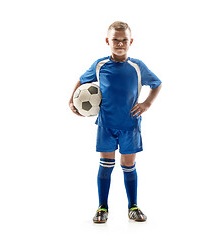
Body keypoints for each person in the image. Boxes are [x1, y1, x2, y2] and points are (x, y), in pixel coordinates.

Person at [69, 21, 162, 223]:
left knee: (128, 165)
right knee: (106, 164)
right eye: (115, 40)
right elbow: (82, 80)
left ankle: (133, 206)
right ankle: (102, 207)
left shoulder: (137, 66)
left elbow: (157, 84)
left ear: (131, 42)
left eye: (124, 40)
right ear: (107, 41)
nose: (120, 44)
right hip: (106, 124)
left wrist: (147, 103)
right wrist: (71, 99)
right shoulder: (100, 65)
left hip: (130, 125)